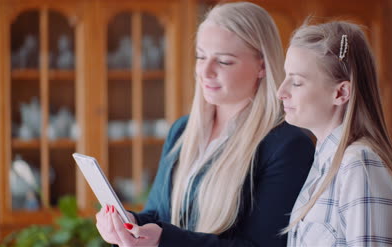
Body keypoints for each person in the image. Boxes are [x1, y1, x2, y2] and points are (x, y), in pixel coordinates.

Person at [95, 2, 314, 246]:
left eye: (224, 61)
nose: (205, 71)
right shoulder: (183, 131)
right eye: (200, 56)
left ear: (262, 66)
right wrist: (127, 223)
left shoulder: (287, 146)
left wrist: (164, 239)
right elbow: (159, 216)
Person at [277, 20, 392, 246]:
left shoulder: (360, 165)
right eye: (286, 77)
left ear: (341, 92)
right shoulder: (325, 164)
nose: (281, 91)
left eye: (296, 82)